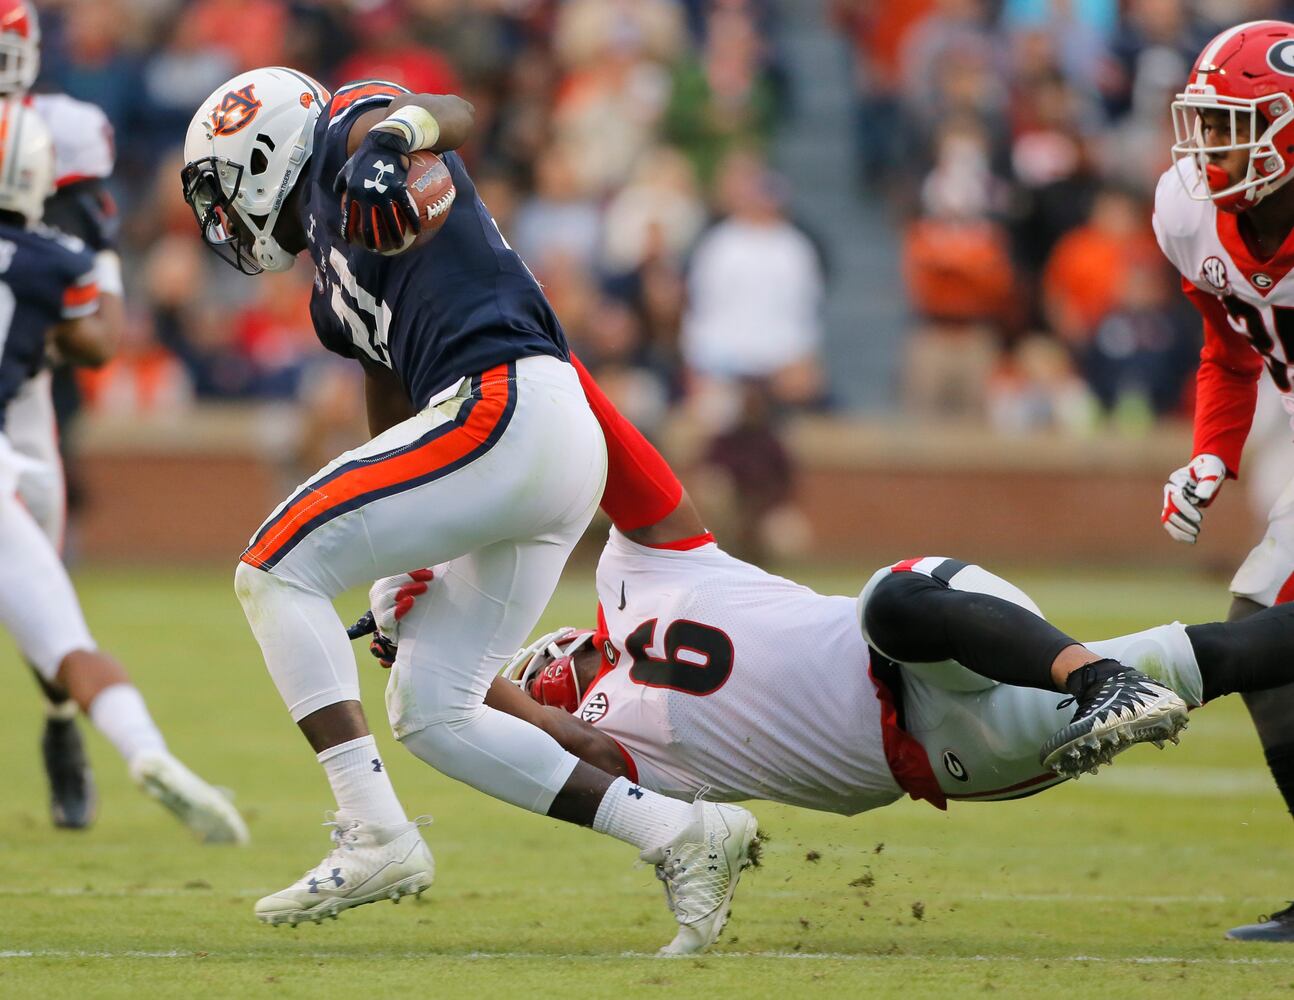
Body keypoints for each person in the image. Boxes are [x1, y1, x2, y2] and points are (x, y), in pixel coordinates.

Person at [179, 68, 757, 954]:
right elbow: (390, 403)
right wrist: (401, 558)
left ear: (262, 160)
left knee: (271, 568)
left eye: (222, 192)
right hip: (530, 439)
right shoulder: (329, 289)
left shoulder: (346, 137)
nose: (221, 220)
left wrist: (388, 142)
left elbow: (450, 112)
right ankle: (680, 833)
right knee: (433, 707)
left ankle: (375, 831)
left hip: (504, 403)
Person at [358, 359, 1292, 852]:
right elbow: (584, 756)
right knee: (1221, 654)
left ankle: (1098, 681)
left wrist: (543, 365)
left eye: (529, 672)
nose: (542, 676)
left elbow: (623, 462)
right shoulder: (617, 743)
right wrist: (451, 668)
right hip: (945, 751)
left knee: (894, 598)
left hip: (938, 639)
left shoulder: (634, 575)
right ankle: (1111, 681)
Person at [0, 97, 247, 844]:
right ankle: (145, 750)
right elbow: (99, 341)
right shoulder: (52, 260)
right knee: (70, 643)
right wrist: (99, 258)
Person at [1153, 18, 1294, 942]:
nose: (1208, 145)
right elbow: (1229, 348)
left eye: (1231, 125)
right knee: (1264, 628)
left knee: (1263, 622)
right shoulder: (1188, 212)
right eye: (1205, 122)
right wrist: (1213, 451)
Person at [0, 0, 127, 830]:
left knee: (39, 569)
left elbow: (100, 326)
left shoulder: (62, 132)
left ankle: (59, 722)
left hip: (20, 389)